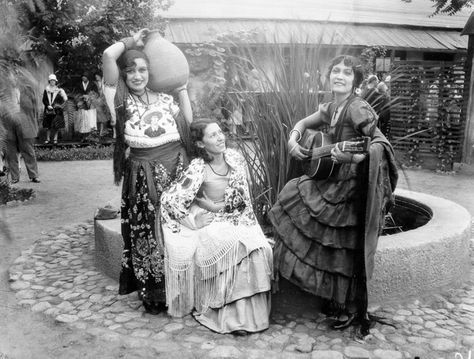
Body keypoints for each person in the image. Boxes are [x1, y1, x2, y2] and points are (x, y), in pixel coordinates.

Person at [269, 55, 398, 337]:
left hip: (350, 187)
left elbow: (378, 144)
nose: (340, 76)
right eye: (336, 71)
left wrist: (353, 157)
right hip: (329, 178)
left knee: (341, 245)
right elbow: (304, 122)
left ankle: (348, 305)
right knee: (293, 197)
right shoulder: (332, 107)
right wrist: (293, 138)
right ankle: (330, 298)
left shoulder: (357, 108)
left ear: (356, 81)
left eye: (347, 73)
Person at [102, 28, 193, 314]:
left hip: (177, 168)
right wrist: (132, 42)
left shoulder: (166, 99)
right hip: (143, 174)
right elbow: (108, 55)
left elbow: (188, 125)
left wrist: (182, 90)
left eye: (143, 69)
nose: (137, 76)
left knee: (178, 229)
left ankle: (185, 286)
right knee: (148, 235)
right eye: (131, 71)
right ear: (124, 75)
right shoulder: (120, 100)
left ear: (150, 72)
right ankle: (155, 294)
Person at [160, 119, 273, 334]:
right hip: (214, 223)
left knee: (258, 248)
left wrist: (217, 205)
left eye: (220, 132)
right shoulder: (197, 167)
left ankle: (251, 318)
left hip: (239, 218)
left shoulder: (236, 159)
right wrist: (193, 219)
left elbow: (242, 198)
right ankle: (231, 318)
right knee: (236, 245)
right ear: (201, 144)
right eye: (212, 135)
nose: (220, 137)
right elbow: (170, 199)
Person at [6, 74, 41, 183]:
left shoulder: (29, 90)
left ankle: (34, 175)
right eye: (11, 76)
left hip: (25, 123)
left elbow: (36, 108)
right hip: (9, 122)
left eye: (16, 76)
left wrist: (35, 124)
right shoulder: (4, 90)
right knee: (11, 151)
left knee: (28, 150)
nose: (13, 78)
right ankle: (15, 177)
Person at [42, 74, 68, 144]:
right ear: (49, 81)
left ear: (55, 81)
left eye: (53, 80)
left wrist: (60, 105)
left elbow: (65, 99)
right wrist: (47, 105)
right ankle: (47, 139)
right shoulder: (46, 89)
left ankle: (55, 139)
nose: (52, 82)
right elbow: (44, 100)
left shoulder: (59, 90)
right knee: (48, 125)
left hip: (57, 110)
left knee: (56, 125)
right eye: (51, 80)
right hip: (48, 110)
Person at [74, 72, 98, 140]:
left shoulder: (93, 84)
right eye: (82, 76)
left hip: (90, 104)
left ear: (88, 77)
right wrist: (81, 97)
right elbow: (76, 93)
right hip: (81, 103)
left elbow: (96, 94)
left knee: (90, 119)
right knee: (82, 119)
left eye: (85, 76)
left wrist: (89, 96)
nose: (83, 78)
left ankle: (91, 135)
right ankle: (82, 136)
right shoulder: (78, 84)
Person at [93, 72, 111, 137]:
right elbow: (95, 93)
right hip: (98, 101)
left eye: (97, 76)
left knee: (105, 116)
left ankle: (104, 130)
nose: (96, 77)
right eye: (95, 77)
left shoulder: (105, 83)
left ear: (100, 76)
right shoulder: (95, 83)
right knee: (99, 116)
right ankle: (100, 131)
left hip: (105, 100)